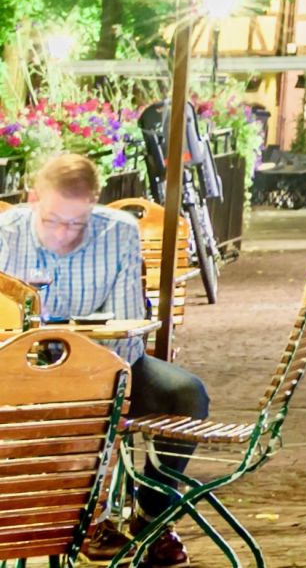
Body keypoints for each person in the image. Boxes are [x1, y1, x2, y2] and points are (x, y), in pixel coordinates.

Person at [0, 153, 213, 556]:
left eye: (76, 223)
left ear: (94, 206)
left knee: (186, 395)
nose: (64, 234)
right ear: (33, 199)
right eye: (52, 220)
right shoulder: (4, 234)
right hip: (20, 372)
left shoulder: (117, 233)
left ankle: (149, 519)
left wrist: (89, 371)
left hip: (107, 368)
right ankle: (64, 521)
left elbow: (128, 327)